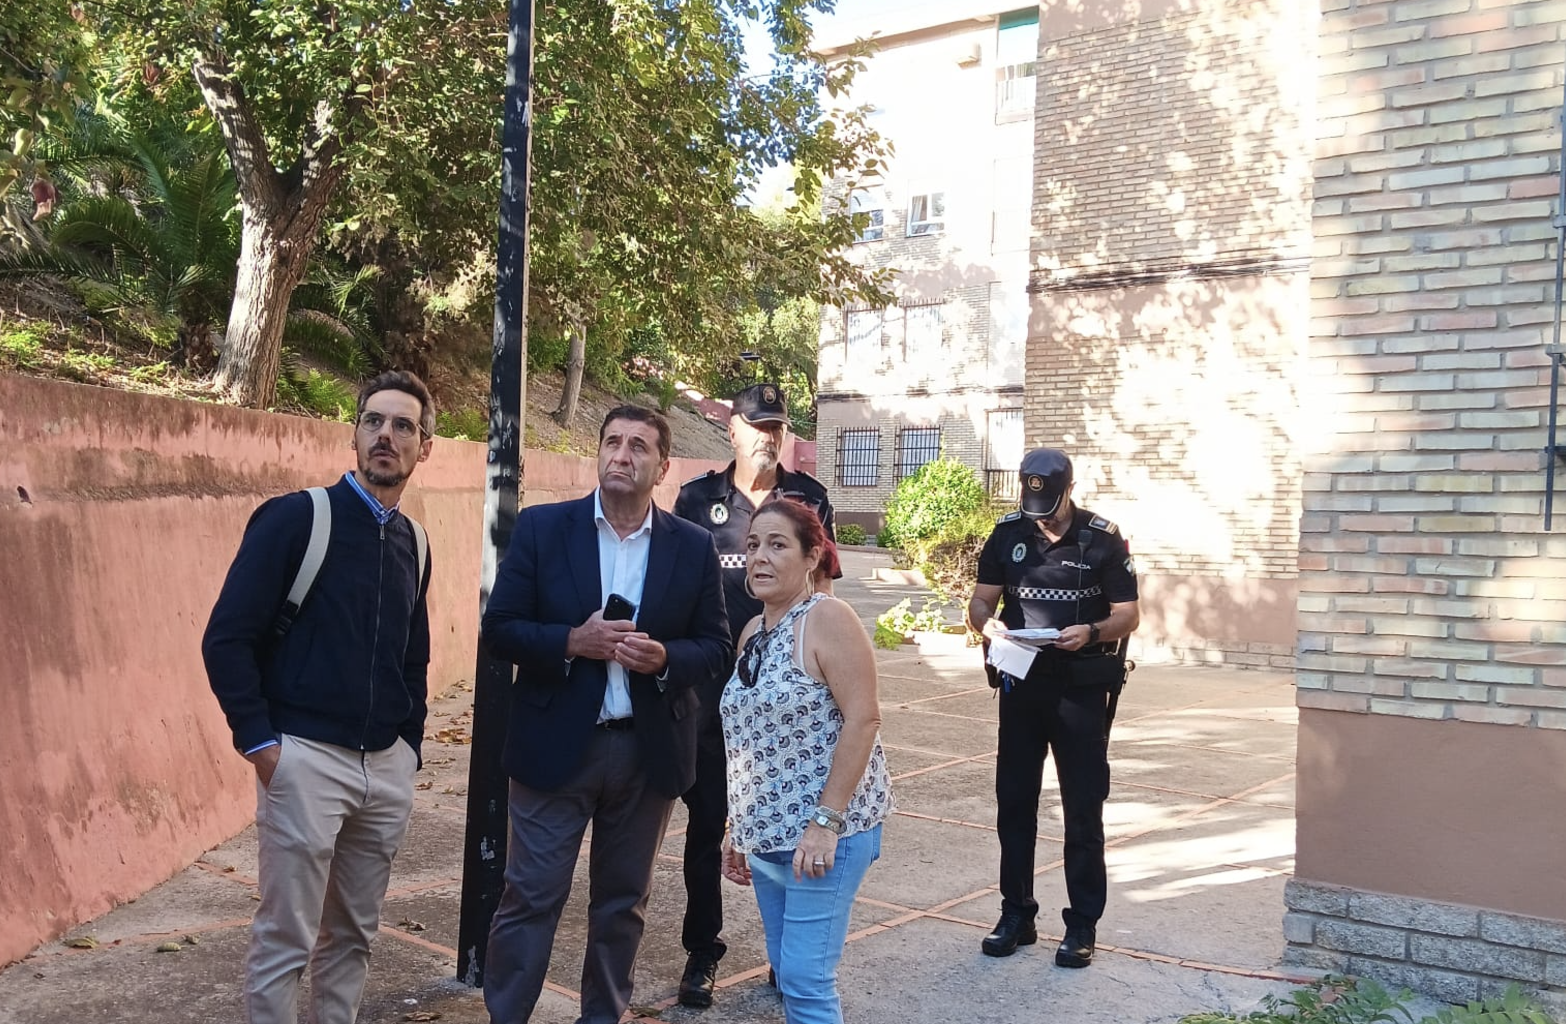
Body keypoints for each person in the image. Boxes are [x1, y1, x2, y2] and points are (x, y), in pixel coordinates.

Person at [481, 405, 732, 1024]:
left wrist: (663, 657)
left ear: (662, 466)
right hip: (556, 747)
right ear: (598, 454)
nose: (623, 455)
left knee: (622, 905)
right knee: (531, 897)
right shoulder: (544, 529)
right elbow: (501, 629)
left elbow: (717, 646)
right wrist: (573, 641)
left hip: (645, 754)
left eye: (639, 446)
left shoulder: (693, 547)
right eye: (613, 442)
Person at [202, 370, 437, 1024]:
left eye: (402, 426)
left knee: (355, 936)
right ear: (355, 434)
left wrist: (409, 749)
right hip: (303, 760)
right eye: (373, 421)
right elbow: (226, 638)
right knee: (287, 937)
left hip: (384, 768)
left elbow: (412, 659)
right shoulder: (297, 517)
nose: (385, 435)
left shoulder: (413, 543)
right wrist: (262, 743)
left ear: (425, 447)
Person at [670, 381, 838, 1008]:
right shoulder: (695, 501)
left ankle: (783, 955)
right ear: (732, 429)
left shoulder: (809, 499)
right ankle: (702, 951)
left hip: (786, 700)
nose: (768, 436)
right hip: (710, 690)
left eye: (777, 426)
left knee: (789, 826)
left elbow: (825, 594)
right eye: (756, 425)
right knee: (708, 824)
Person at [719, 499, 894, 1024]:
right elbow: (750, 739)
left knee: (805, 978)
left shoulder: (827, 618)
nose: (759, 558)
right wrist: (737, 826)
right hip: (768, 837)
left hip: (823, 838)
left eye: (777, 545)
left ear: (813, 555)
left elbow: (864, 719)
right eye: (752, 546)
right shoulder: (754, 632)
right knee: (784, 968)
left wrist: (825, 823)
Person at [966, 447, 1140, 968]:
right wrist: (988, 624)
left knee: (1082, 808)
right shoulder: (1008, 533)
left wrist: (1091, 631)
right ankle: (1016, 913)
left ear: (1068, 489)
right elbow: (981, 601)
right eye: (1031, 505)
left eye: (1050, 506)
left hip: (1080, 686)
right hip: (1022, 682)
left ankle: (1082, 924)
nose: (1041, 519)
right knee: (1014, 803)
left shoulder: (1102, 537)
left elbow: (1128, 615)